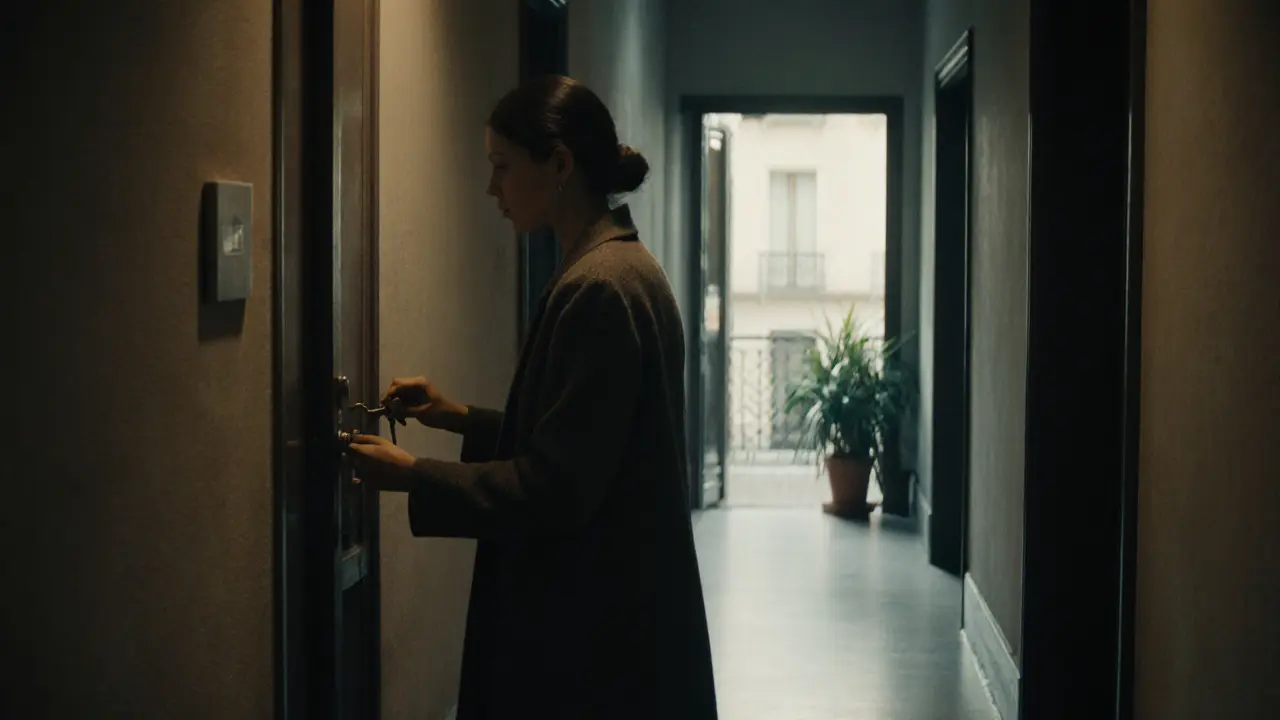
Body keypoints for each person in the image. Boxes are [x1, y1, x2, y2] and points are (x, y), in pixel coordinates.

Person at [347, 75, 719, 719]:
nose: (492, 189)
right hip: (618, 615)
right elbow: (585, 439)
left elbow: (555, 488)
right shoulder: (620, 266)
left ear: (560, 165)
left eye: (501, 166)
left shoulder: (599, 287)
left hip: (594, 638)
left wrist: (413, 475)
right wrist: (455, 417)